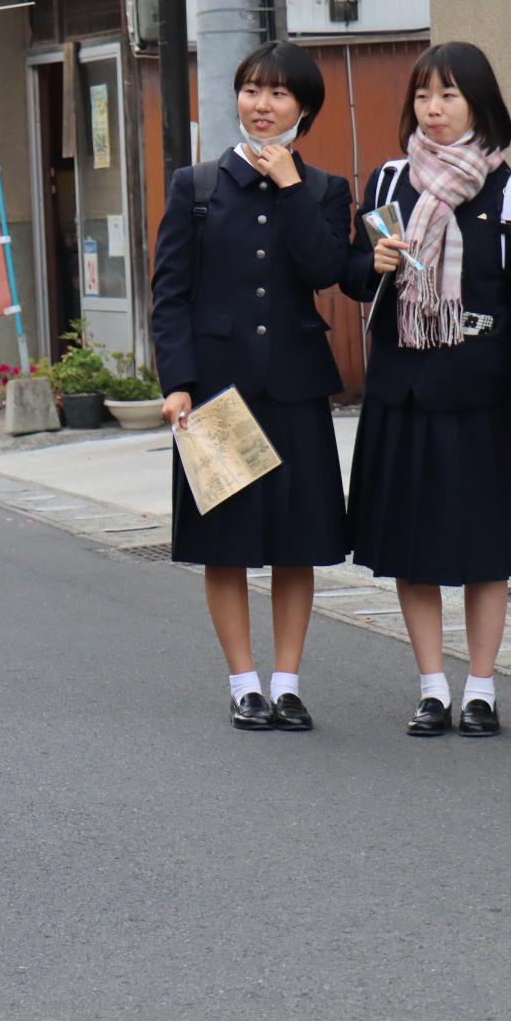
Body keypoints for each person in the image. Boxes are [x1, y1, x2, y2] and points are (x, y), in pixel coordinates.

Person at [342, 41, 511, 739]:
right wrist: (370, 263)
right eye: (423, 96)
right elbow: (354, 282)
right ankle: (432, 686)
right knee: (414, 547)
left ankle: (483, 689)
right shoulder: (386, 185)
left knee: (484, 550)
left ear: (479, 104)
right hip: (404, 391)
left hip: (483, 399)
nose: (433, 110)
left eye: (449, 97)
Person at [150, 44, 351, 732]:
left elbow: (325, 267)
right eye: (251, 90)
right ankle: (244, 683)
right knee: (227, 543)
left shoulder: (326, 189)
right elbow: (169, 294)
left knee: (297, 542)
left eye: (279, 94)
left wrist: (292, 184)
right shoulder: (197, 186)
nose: (261, 105)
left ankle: (287, 681)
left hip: (295, 386)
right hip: (216, 391)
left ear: (305, 108)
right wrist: (176, 380)